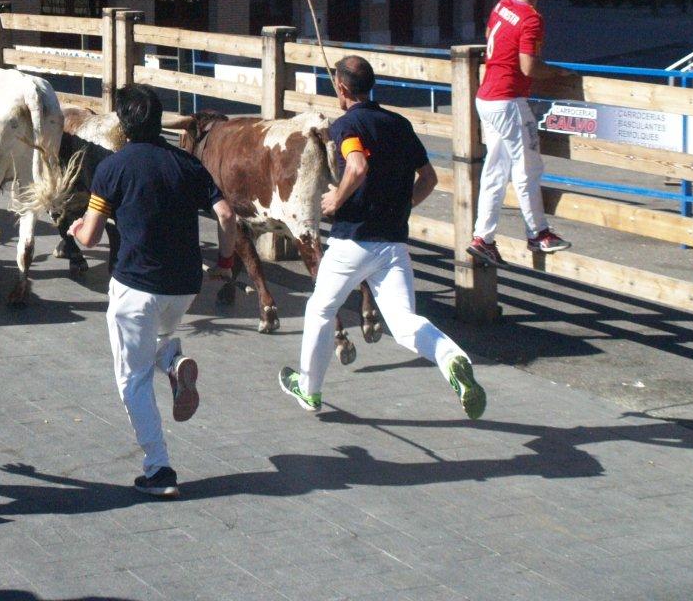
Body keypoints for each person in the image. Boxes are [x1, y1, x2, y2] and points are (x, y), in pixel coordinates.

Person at [278, 56, 487, 420]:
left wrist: (335, 199)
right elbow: (429, 179)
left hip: (353, 241)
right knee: (404, 323)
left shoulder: (347, 126)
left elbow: (357, 165)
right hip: (393, 243)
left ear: (341, 88)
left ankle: (309, 389)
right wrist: (402, 205)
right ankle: (452, 358)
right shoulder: (400, 124)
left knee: (320, 310)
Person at [67, 84, 236, 499]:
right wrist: (226, 263)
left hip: (135, 287)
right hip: (183, 288)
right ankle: (175, 364)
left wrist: (74, 230)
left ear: (122, 124)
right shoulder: (188, 164)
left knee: (132, 379)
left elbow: (89, 238)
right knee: (156, 340)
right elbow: (227, 214)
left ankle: (159, 468)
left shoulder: (112, 168)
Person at [466, 0, 574, 268]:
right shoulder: (532, 19)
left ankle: (483, 238)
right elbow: (529, 67)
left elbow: (490, 35)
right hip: (509, 100)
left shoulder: (502, 5)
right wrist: (557, 72)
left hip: (486, 97)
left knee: (496, 170)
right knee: (528, 167)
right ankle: (538, 233)